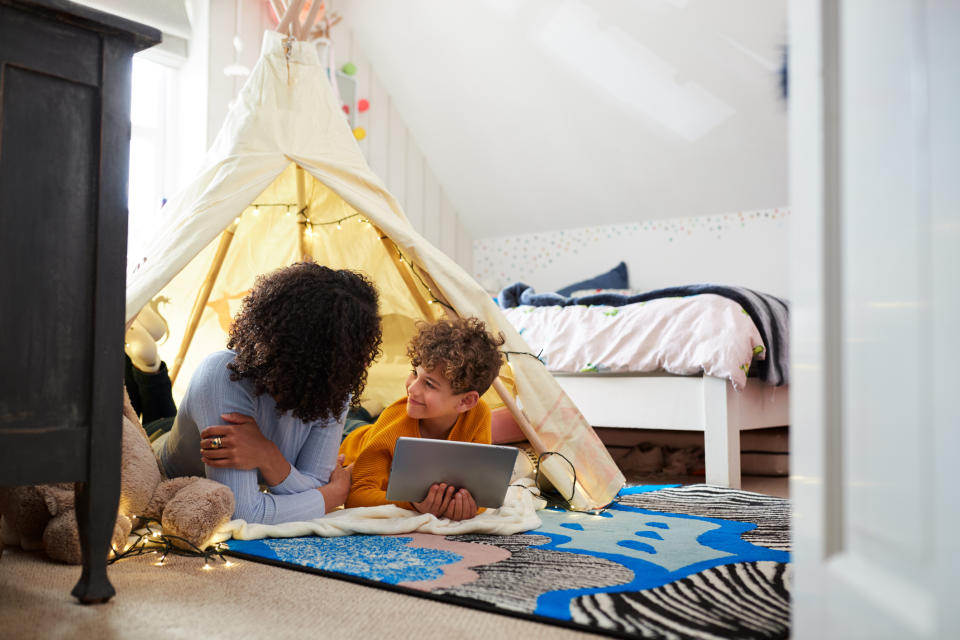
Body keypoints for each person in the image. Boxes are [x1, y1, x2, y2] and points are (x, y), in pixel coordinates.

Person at [134, 262, 382, 525]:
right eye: (355, 351)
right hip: (161, 445)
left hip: (196, 425)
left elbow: (316, 484)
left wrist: (267, 455)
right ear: (313, 353)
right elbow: (243, 513)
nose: (366, 362)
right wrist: (332, 496)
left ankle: (147, 363)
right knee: (154, 416)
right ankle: (146, 362)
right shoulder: (223, 375)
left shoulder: (334, 383)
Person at [339, 317, 505, 521]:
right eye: (414, 374)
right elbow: (357, 496)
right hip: (351, 441)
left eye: (429, 384)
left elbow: (478, 492)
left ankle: (365, 411)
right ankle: (362, 410)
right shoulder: (393, 424)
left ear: (466, 401)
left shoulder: (478, 414)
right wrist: (412, 503)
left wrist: (467, 506)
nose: (412, 388)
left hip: (376, 428)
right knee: (348, 420)